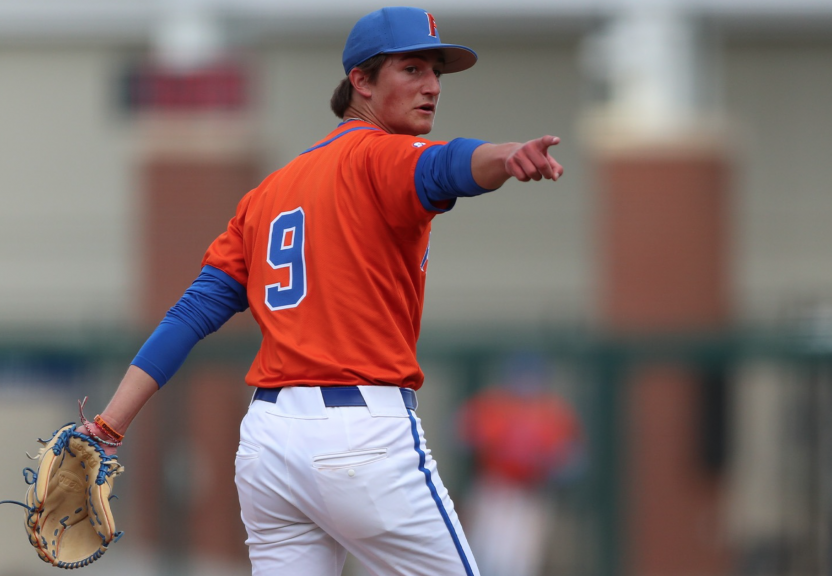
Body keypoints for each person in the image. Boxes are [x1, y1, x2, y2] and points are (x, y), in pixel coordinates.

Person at [76, 7, 563, 575]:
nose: (432, 85)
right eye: (411, 68)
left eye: (435, 70)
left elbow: (193, 312)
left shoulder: (268, 194)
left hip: (269, 445)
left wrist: (107, 426)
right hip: (361, 436)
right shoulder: (380, 155)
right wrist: (506, 156)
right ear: (361, 80)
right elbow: (448, 165)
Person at [458, 354, 584, 576]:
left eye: (532, 377)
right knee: (484, 557)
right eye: (522, 376)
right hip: (494, 491)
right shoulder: (494, 405)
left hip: (531, 494)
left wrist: (553, 462)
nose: (526, 382)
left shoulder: (553, 412)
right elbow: (459, 435)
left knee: (520, 564)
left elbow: (573, 461)